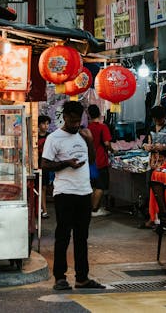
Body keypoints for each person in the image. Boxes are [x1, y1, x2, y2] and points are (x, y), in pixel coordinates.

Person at [40, 101, 105, 291]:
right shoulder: (54, 138)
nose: (76, 124)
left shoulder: (83, 135)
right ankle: (60, 277)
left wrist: (91, 141)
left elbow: (91, 160)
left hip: (84, 192)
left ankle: (82, 278)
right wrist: (66, 163)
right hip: (64, 193)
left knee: (81, 237)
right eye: (73, 121)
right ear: (65, 117)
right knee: (63, 236)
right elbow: (45, 164)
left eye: (79, 121)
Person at [142, 105, 166, 229]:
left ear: (164, 117)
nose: (157, 122)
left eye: (159, 119)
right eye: (155, 119)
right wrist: (146, 146)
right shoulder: (151, 128)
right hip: (153, 164)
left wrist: (164, 147)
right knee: (152, 192)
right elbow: (144, 142)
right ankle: (154, 217)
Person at [86, 104, 113, 217]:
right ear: (99, 114)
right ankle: (94, 209)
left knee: (92, 185)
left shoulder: (87, 128)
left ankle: (90, 208)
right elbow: (107, 143)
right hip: (100, 161)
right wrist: (112, 150)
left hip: (90, 161)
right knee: (100, 186)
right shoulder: (103, 127)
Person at [38, 114, 52, 219]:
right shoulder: (35, 136)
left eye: (47, 124)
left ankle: (43, 209)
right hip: (36, 164)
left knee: (44, 187)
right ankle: (41, 209)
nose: (46, 126)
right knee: (38, 187)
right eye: (44, 123)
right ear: (39, 125)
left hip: (46, 165)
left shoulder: (50, 137)